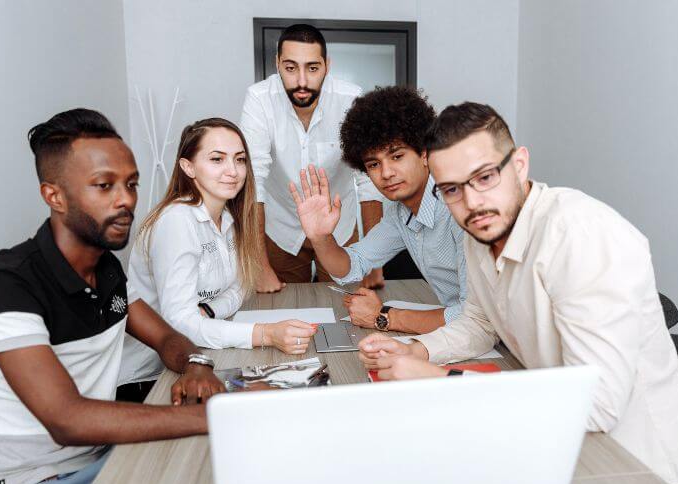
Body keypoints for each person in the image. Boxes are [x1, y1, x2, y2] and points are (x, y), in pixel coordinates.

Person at [358, 102, 678, 484]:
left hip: (640, 473)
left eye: (485, 177)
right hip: (560, 441)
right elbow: (478, 324)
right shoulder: (482, 234)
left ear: (520, 165)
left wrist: (441, 381)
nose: (472, 203)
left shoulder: (581, 236)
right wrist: (418, 351)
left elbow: (597, 406)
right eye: (453, 189)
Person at [0, 109, 226, 484]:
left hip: (100, 461)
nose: (126, 201)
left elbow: (167, 337)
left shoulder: (106, 268)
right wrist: (213, 417)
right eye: (104, 186)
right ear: (54, 196)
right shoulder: (5, 287)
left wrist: (196, 364)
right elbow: (68, 421)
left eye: (131, 183)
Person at [119, 118, 317, 388]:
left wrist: (208, 311)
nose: (232, 171)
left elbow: (240, 288)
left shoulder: (227, 217)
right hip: (151, 376)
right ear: (188, 167)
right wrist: (266, 334)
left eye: (239, 160)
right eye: (217, 159)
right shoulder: (176, 221)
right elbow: (181, 324)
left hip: (204, 353)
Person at [289, 86, 466, 334]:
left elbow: (474, 316)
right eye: (374, 163)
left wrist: (383, 316)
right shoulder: (399, 212)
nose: (386, 173)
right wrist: (320, 238)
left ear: (425, 153)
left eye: (397, 156)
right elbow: (353, 266)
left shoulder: (461, 208)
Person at [239, 23, 385, 291]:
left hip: (339, 227)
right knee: (283, 310)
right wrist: (258, 265)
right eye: (291, 68)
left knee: (349, 305)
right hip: (279, 226)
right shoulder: (259, 99)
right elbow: (253, 181)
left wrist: (375, 261)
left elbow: (367, 180)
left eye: (313, 68)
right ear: (277, 64)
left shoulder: (350, 99)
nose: (302, 82)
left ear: (327, 65)